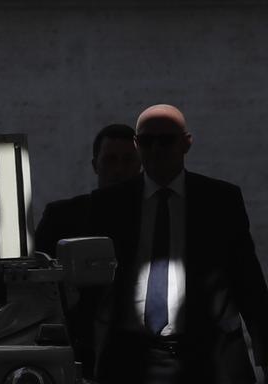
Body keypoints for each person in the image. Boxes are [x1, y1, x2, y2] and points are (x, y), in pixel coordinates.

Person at [88, 105, 268, 383]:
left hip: (209, 357)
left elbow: (248, 282)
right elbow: (89, 287)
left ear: (186, 143)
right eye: (147, 141)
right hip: (130, 359)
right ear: (137, 145)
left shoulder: (220, 200)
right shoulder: (110, 204)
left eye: (166, 140)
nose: (156, 149)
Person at [35, 124, 141, 257]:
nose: (119, 169)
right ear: (95, 165)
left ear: (140, 165)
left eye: (128, 160)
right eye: (110, 160)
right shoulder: (61, 217)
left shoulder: (154, 216)